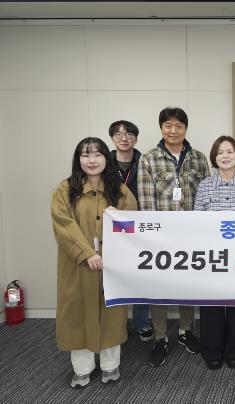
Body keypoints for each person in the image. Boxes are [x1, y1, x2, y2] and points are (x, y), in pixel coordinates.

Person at [51, 137, 137, 387]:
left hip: (111, 264)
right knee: (77, 314)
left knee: (111, 314)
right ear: (78, 159)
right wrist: (88, 253)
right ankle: (82, 368)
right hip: (78, 264)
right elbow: (63, 225)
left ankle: (110, 365)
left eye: (97, 154)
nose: (91, 160)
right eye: (86, 154)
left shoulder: (119, 189)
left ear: (106, 159)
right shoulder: (65, 189)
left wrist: (118, 217)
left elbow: (134, 223)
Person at [138, 107, 210, 367]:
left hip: (191, 236)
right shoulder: (149, 158)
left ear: (185, 129)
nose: (173, 130)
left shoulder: (199, 158)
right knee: (158, 287)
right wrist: (155, 237)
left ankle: (185, 331)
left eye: (179, 126)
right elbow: (146, 202)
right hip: (161, 237)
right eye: (168, 125)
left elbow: (206, 196)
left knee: (187, 285)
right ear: (161, 128)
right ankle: (160, 337)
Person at [194, 136, 235, 370]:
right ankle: (212, 351)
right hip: (212, 255)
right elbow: (197, 222)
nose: (225, 156)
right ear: (214, 157)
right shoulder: (204, 186)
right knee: (212, 305)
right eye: (220, 152)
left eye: (229, 151)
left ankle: (234, 351)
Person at [108, 120, 153, 342]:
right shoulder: (103, 162)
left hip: (138, 227)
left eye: (129, 134)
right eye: (118, 134)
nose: (124, 138)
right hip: (109, 227)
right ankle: (112, 324)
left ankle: (141, 322)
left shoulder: (145, 161)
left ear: (136, 138)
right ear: (112, 138)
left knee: (140, 275)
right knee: (110, 276)